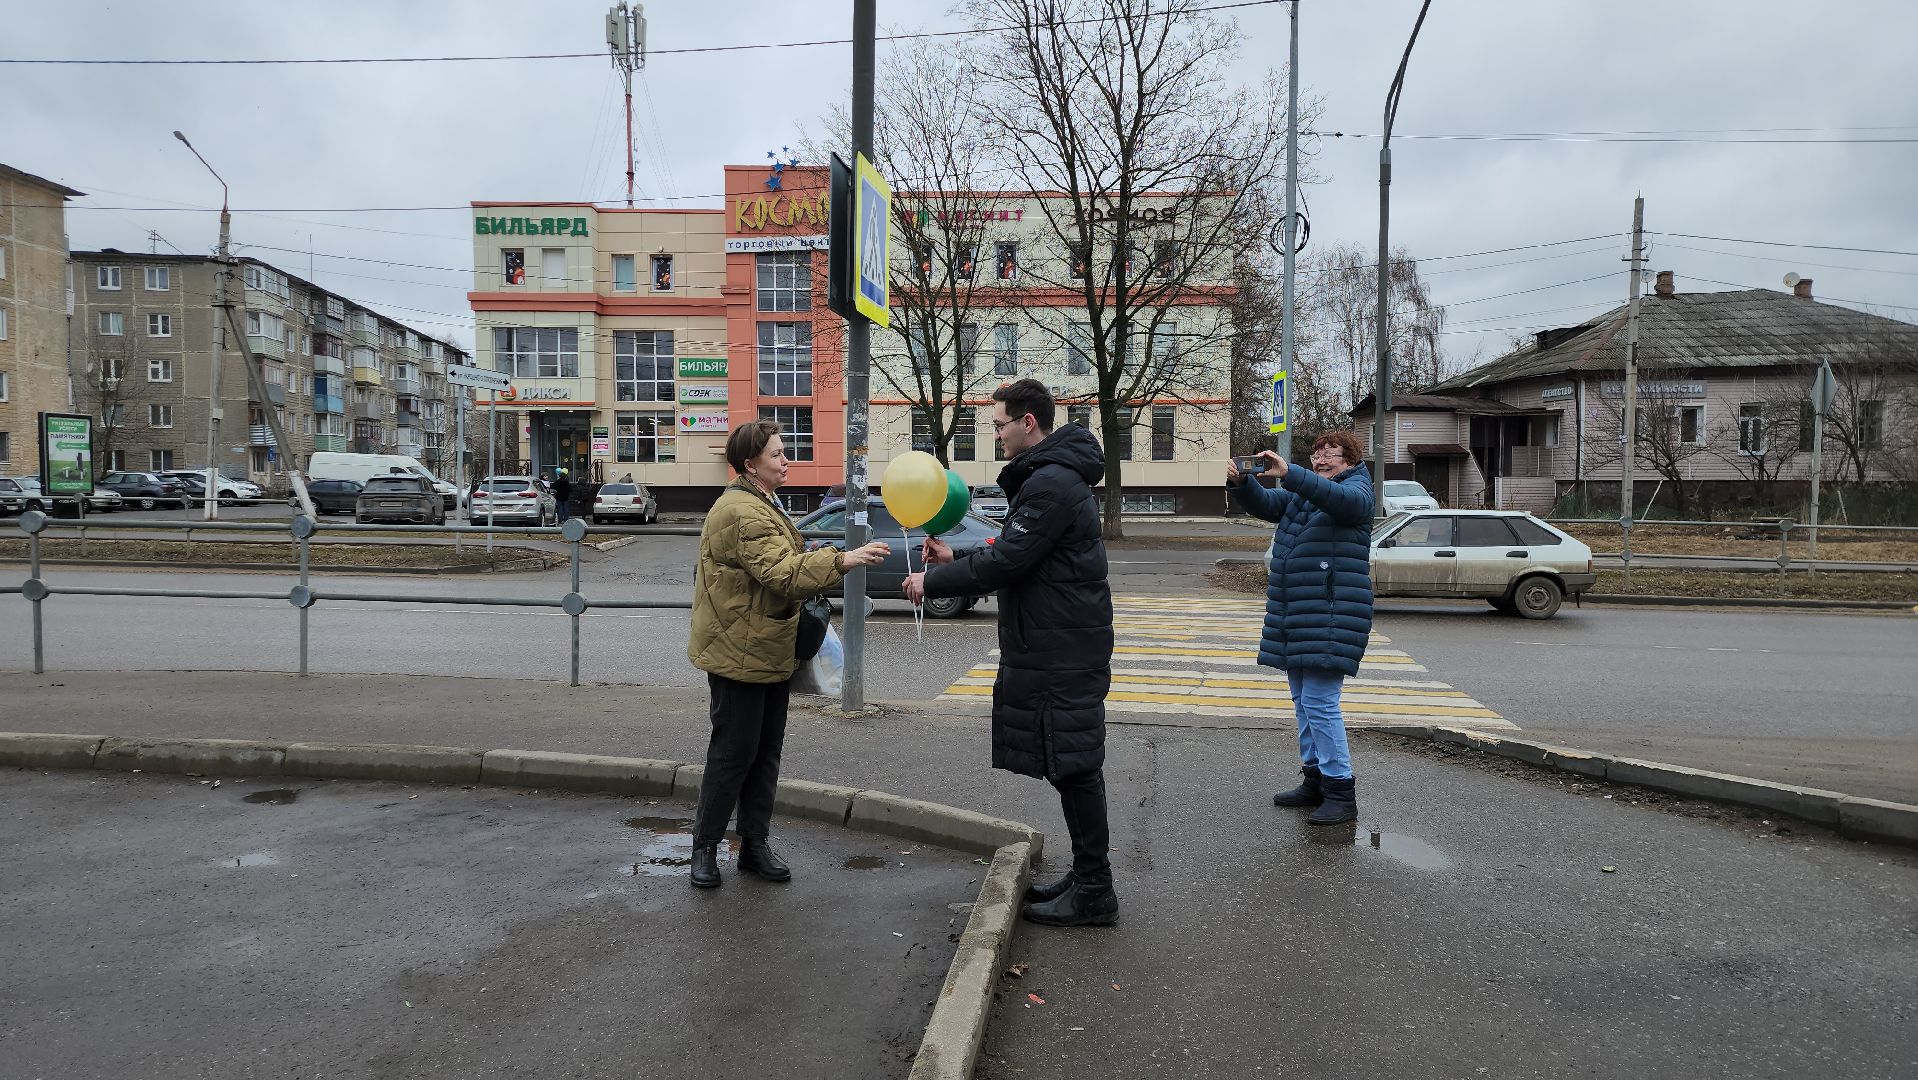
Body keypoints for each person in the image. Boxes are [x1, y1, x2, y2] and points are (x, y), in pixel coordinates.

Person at [903, 379, 1117, 928]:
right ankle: (1088, 876)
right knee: (1069, 763)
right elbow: (1020, 550)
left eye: (999, 424)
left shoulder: (1050, 482)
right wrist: (956, 556)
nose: (995, 433)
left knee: (1074, 766)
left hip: (1060, 647)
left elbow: (1010, 561)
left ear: (1028, 422)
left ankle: (1096, 889)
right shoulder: (1051, 477)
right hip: (1059, 641)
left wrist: (934, 580)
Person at [687, 420, 889, 889]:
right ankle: (705, 846)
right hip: (740, 652)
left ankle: (753, 845)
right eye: (776, 454)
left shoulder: (761, 501)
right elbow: (780, 572)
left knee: (764, 753)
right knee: (733, 754)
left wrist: (812, 551)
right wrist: (842, 559)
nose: (785, 460)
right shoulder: (742, 510)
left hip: (765, 646)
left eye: (783, 452)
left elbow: (776, 560)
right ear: (750, 464)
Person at [1226, 431, 1375, 825]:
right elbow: (1269, 505)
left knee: (1320, 703)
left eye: (1330, 454)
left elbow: (1341, 501)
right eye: (1316, 454)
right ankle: (1315, 779)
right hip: (1298, 612)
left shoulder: (1357, 489)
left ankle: (1341, 790)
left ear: (1350, 459)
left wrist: (1290, 473)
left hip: (1331, 612)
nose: (1320, 459)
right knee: (1304, 701)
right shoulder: (1307, 492)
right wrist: (1243, 482)